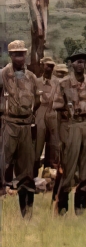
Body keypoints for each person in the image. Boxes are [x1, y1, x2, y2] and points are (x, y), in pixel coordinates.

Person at [53, 50, 86, 215]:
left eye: (83, 61)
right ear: (71, 64)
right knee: (69, 168)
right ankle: (62, 207)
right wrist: (60, 136)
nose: (80, 64)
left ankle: (81, 209)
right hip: (71, 126)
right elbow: (58, 111)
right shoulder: (64, 84)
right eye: (77, 61)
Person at [1, 41, 41, 218]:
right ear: (10, 55)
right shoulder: (2, 75)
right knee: (2, 166)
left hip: (26, 125)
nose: (20, 57)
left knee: (26, 171)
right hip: (8, 124)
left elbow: (37, 101)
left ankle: (27, 212)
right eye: (17, 54)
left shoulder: (32, 77)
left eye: (23, 54)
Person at [34, 55, 61, 177]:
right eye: (47, 65)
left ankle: (50, 174)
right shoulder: (36, 82)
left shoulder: (58, 83)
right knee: (37, 144)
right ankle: (33, 173)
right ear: (42, 66)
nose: (49, 68)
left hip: (53, 113)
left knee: (53, 144)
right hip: (39, 112)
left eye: (52, 66)